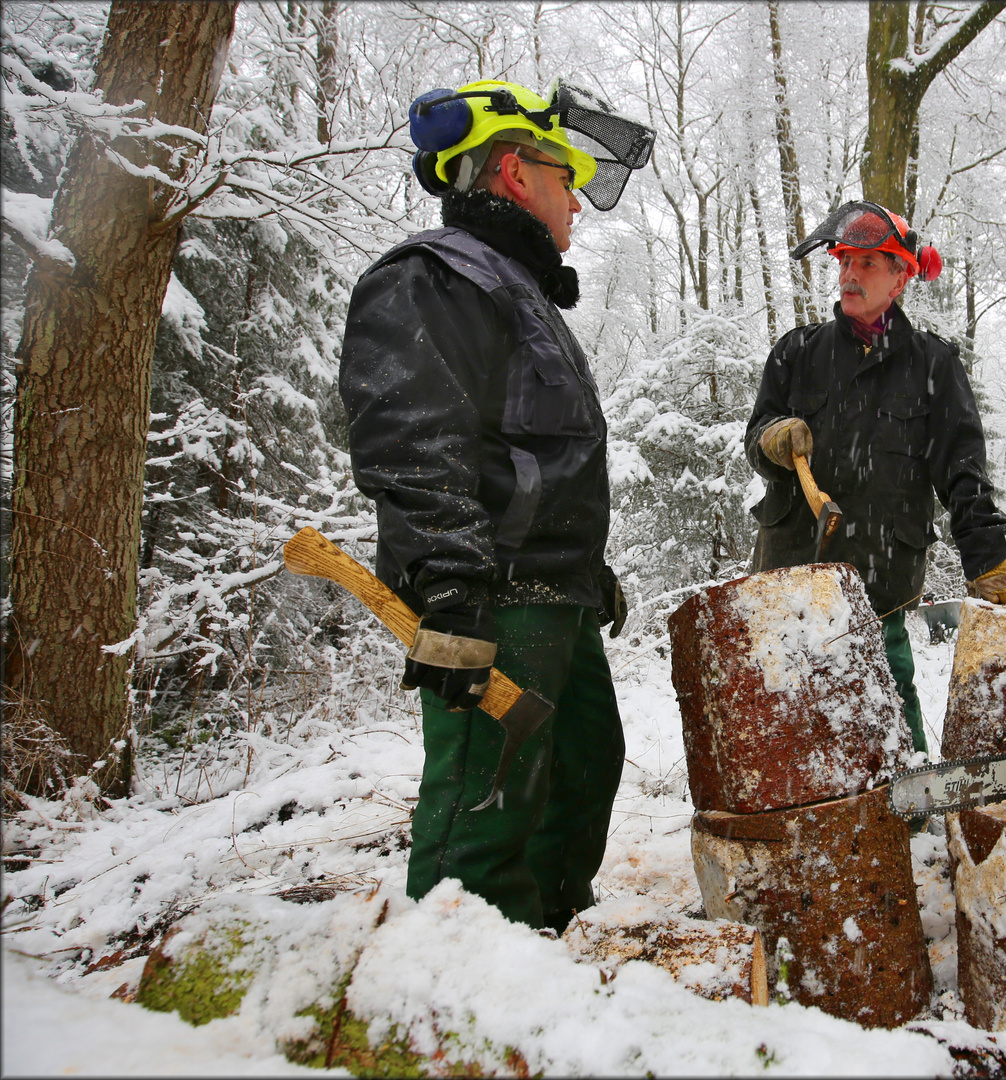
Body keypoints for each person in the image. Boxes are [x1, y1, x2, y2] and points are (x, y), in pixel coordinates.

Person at [339, 78, 653, 934]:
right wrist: (449, 593)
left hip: (554, 598)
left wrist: (587, 570)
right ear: (516, 173)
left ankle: (542, 954)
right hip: (492, 598)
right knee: (487, 809)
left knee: (583, 771)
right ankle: (451, 994)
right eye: (566, 176)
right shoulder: (432, 279)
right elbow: (414, 440)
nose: (578, 201)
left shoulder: (519, 294)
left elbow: (529, 457)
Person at [744, 201, 1006, 756]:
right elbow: (757, 438)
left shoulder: (933, 364)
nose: (849, 274)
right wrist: (773, 438)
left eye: (868, 262)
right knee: (784, 717)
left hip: (881, 578)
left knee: (888, 714)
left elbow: (961, 468)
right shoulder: (796, 353)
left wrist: (985, 554)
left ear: (901, 277)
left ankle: (905, 821)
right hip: (792, 567)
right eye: (845, 261)